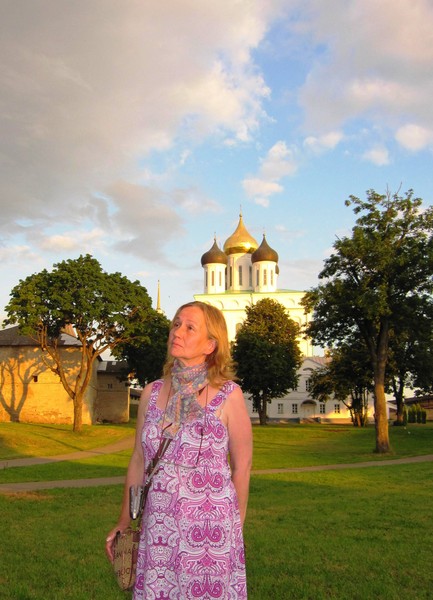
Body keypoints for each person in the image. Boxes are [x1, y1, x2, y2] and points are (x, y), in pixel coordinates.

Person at [106, 301, 253, 599]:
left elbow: (242, 466)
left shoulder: (229, 395)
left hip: (210, 534)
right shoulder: (152, 392)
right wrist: (125, 519)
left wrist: (235, 530)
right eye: (176, 324)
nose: (177, 332)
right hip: (159, 526)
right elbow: (139, 458)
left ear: (210, 345)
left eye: (189, 327)